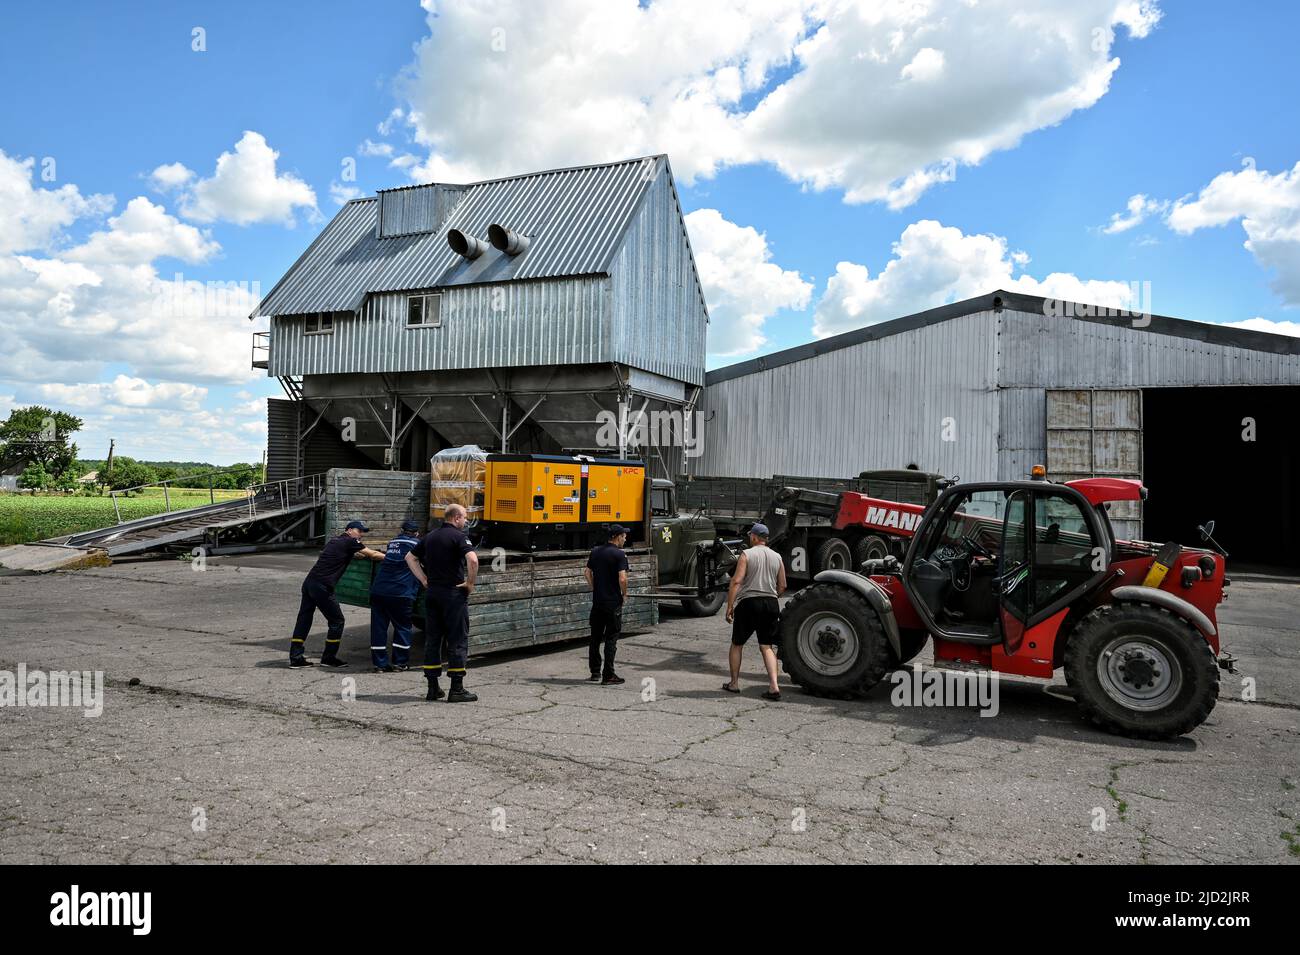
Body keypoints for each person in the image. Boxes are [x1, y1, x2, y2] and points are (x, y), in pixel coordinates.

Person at [405, 503, 479, 702]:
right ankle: (457, 689)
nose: (465, 521)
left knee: (433, 639)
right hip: (453, 594)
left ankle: (432, 688)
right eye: (464, 517)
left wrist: (423, 579)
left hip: (433, 594)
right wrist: (470, 583)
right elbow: (472, 560)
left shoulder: (429, 537)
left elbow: (410, 557)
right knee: (457, 639)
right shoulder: (459, 537)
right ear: (456, 518)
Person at [290, 520, 385, 669]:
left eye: (362, 532)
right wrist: (394, 558)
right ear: (349, 530)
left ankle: (295, 658)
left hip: (309, 583)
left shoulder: (335, 540)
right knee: (337, 621)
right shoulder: (350, 541)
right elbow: (372, 554)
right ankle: (329, 658)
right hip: (322, 586)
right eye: (358, 531)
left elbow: (342, 554)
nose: (361, 534)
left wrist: (355, 554)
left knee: (304, 618)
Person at [723, 522, 787, 700]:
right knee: (766, 646)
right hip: (771, 602)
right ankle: (774, 686)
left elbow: (736, 581)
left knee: (737, 643)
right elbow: (783, 585)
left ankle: (734, 684)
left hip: (750, 602)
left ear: (754, 537)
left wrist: (729, 606)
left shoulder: (747, 554)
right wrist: (773, 597)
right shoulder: (777, 556)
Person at [369, 520, 423, 672]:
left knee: (378, 628)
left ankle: (379, 664)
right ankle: (400, 663)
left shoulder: (392, 542)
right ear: (416, 533)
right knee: (403, 627)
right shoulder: (417, 545)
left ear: (401, 530)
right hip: (401, 592)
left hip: (379, 590)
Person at [584, 524, 630, 685]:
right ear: (617, 536)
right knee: (611, 638)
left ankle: (595, 672)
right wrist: (624, 594)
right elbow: (622, 579)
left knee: (595, 638)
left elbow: (587, 572)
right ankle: (608, 675)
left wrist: (594, 587)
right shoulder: (619, 555)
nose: (625, 538)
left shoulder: (595, 551)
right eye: (624, 536)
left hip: (598, 602)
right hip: (612, 603)